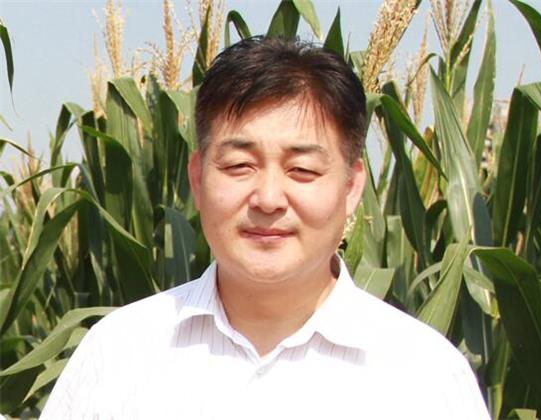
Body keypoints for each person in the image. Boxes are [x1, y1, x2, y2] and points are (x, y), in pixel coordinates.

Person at [41, 36, 490, 419]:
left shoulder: (425, 377)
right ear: (197, 178)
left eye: (302, 170)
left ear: (352, 187)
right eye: (240, 165)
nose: (269, 198)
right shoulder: (119, 353)